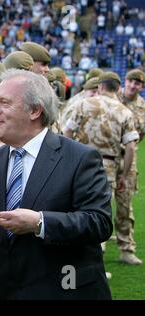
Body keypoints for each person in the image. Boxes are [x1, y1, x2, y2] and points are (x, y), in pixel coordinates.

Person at [0, 69, 113, 300]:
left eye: (4, 103)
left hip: (65, 291)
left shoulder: (79, 158)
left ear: (35, 110)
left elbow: (99, 222)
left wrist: (39, 222)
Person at [64, 71, 139, 277]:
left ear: (100, 87)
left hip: (79, 163)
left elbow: (67, 132)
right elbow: (131, 147)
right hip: (107, 166)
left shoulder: (83, 104)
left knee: (77, 212)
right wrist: (124, 175)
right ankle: (93, 265)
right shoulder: (124, 111)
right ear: (117, 89)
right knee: (99, 215)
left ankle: (75, 263)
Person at [114, 69, 145, 265]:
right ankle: (96, 246)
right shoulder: (111, 98)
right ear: (125, 81)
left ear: (141, 87)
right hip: (106, 157)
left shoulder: (143, 107)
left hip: (127, 160)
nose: (133, 86)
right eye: (131, 81)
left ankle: (126, 249)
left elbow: (140, 135)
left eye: (138, 83)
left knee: (125, 205)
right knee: (98, 201)